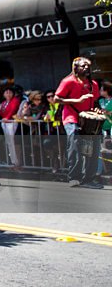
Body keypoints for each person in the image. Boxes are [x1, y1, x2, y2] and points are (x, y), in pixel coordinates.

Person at [55, 57, 101, 188]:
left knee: (94, 146)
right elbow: (56, 99)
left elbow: (95, 101)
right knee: (75, 143)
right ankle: (74, 177)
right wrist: (77, 101)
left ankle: (89, 178)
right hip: (71, 117)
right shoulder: (68, 81)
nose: (86, 68)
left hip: (88, 119)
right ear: (75, 68)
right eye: (83, 66)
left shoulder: (93, 84)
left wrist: (97, 110)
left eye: (88, 66)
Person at [0, 86, 23, 169]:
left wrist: (7, 118)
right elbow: (2, 113)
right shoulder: (4, 103)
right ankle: (13, 161)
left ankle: (16, 162)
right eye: (6, 92)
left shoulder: (15, 100)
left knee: (12, 142)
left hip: (11, 122)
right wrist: (1, 110)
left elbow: (13, 110)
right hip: (5, 122)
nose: (8, 94)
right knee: (9, 142)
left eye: (10, 92)